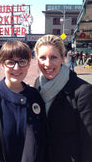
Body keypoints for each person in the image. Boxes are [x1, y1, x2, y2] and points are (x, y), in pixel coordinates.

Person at [34, 34, 92, 162]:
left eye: (53, 57)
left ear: (63, 58)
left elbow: (88, 142)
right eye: (42, 58)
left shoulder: (83, 91)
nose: (47, 64)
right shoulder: (37, 85)